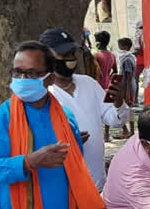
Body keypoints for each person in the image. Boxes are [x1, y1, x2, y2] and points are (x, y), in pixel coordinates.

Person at [0, 40, 114, 209]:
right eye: (17, 72)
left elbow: (76, 168)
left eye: (32, 74)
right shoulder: (0, 118)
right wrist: (29, 161)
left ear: (49, 77)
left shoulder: (66, 118)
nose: (22, 80)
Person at [40, 28, 130, 191]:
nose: (71, 59)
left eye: (73, 54)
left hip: (97, 184)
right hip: (64, 188)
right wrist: (68, 142)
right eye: (64, 55)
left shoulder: (89, 83)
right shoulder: (42, 94)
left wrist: (118, 103)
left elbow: (115, 120)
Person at [115, 37, 137, 138]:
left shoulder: (127, 59)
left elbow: (128, 76)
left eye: (120, 45)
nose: (119, 47)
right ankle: (130, 131)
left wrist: (127, 93)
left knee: (122, 108)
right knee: (129, 108)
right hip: (130, 85)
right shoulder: (130, 57)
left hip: (126, 86)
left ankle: (126, 130)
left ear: (125, 47)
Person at [133, 19, 145, 102]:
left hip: (140, 60)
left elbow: (137, 49)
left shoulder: (139, 35)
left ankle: (135, 99)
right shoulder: (147, 34)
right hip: (148, 60)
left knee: (135, 79)